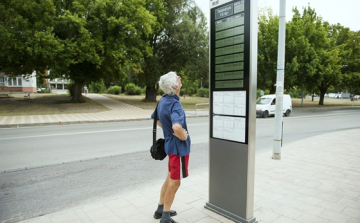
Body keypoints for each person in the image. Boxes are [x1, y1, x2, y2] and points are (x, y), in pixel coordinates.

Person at [151, 71, 191, 223]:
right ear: (176, 86)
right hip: (178, 149)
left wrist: (167, 131)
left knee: (169, 177)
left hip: (170, 146)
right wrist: (182, 136)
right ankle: (165, 217)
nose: (180, 79)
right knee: (175, 182)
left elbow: (156, 119)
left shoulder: (163, 100)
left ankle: (160, 209)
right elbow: (176, 126)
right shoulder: (175, 104)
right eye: (178, 78)